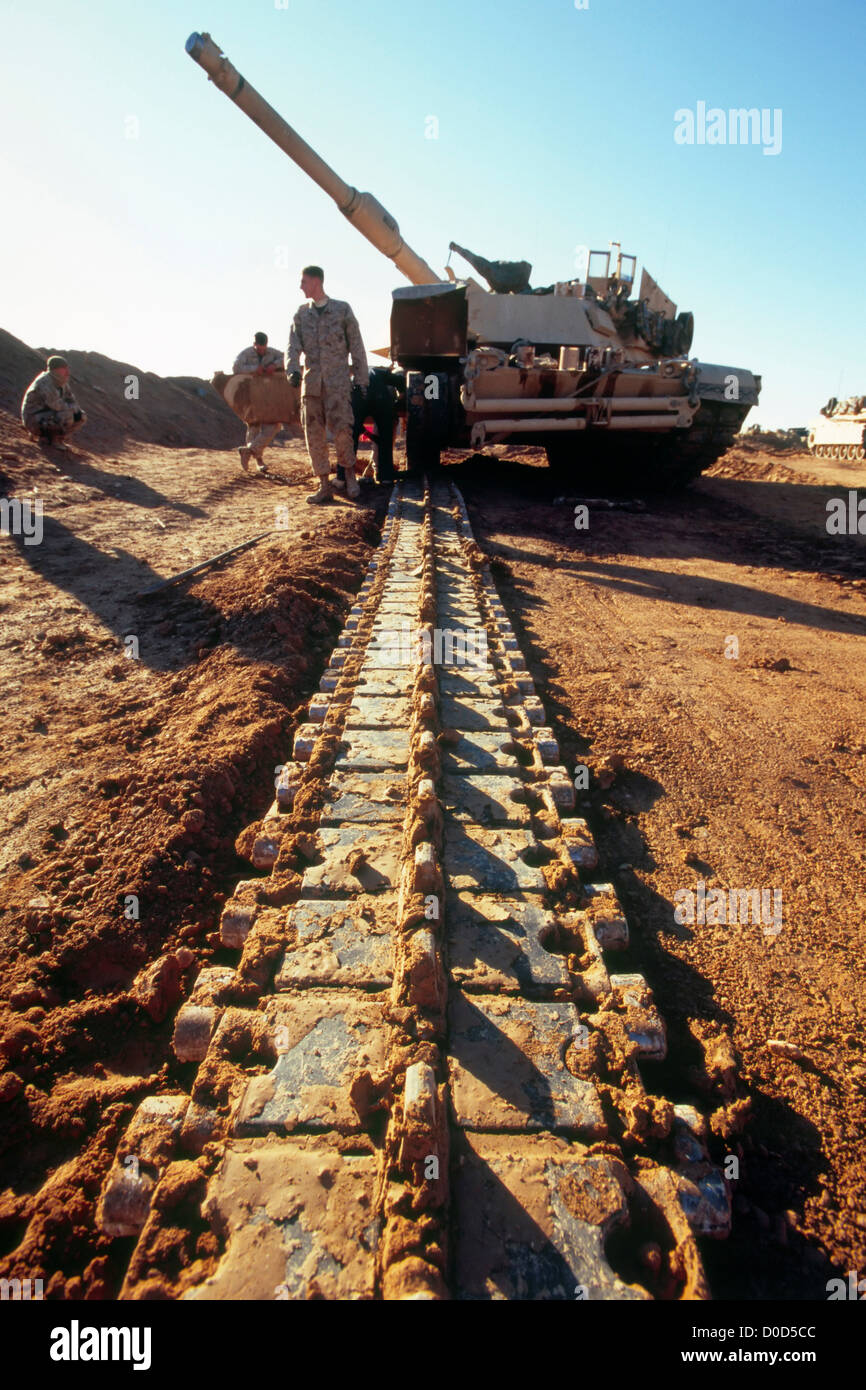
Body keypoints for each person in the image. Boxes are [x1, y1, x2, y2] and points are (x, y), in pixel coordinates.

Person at [287, 266, 368, 504]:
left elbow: (357, 347)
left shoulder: (342, 310)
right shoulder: (301, 315)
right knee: (314, 435)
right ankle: (324, 485)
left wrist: (362, 380)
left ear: (316, 282)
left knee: (343, 431)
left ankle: (350, 477)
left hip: (338, 384)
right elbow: (292, 346)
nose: (301, 286)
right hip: (311, 386)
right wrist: (291, 370)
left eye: (304, 281)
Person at [232, 332, 285, 473]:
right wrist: (254, 370)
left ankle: (249, 451)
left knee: (274, 426)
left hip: (268, 395)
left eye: (264, 347)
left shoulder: (272, 353)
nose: (262, 350)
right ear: (254, 344)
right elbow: (236, 367)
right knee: (253, 428)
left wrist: (275, 365)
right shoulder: (246, 354)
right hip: (249, 395)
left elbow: (286, 357)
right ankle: (258, 460)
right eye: (259, 347)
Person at [21, 356, 87, 449]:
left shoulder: (61, 382)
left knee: (81, 416)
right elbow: (56, 405)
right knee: (67, 415)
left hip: (46, 415)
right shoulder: (45, 382)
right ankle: (49, 439)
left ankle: (58, 439)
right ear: (55, 369)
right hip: (33, 419)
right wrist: (71, 408)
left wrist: (74, 408)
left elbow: (72, 400)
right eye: (64, 369)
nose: (67, 372)